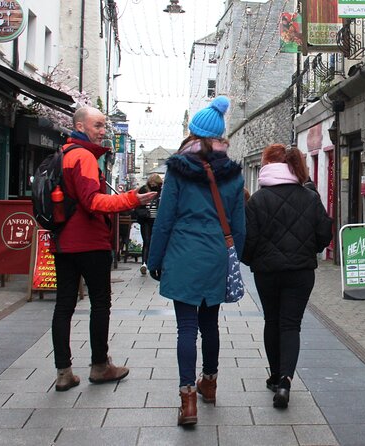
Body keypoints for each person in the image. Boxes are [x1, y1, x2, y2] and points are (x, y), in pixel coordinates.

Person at [147, 96, 245, 426]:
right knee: (211, 324)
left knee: (186, 327)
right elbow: (239, 224)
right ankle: (211, 384)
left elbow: (164, 218)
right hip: (216, 254)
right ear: (219, 138)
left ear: (193, 133)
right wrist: (236, 259)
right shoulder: (232, 174)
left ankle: (188, 400)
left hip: (183, 255)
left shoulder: (177, 169)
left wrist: (154, 258)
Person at [51, 106, 157, 392]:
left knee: (64, 305)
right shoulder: (83, 157)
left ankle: (64, 372)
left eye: (104, 125)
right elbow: (92, 202)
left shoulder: (63, 154)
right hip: (88, 242)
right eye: (98, 125)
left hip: (63, 242)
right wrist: (132, 199)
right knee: (100, 303)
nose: (103, 131)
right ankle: (100, 365)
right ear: (81, 126)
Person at [242, 143, 333, 409]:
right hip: (301, 273)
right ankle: (285, 381)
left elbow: (248, 241)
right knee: (291, 325)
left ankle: (273, 374)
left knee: (272, 321)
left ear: (268, 165)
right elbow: (324, 233)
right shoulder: (309, 197)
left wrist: (253, 261)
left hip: (267, 272)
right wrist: (308, 252)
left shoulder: (258, 199)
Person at [135, 174, 163, 275]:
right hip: (146, 220)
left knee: (152, 242)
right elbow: (137, 205)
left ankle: (151, 263)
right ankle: (144, 263)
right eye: (151, 184)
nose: (153, 186)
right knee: (147, 241)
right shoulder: (143, 190)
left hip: (157, 220)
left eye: (155, 184)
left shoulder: (162, 191)